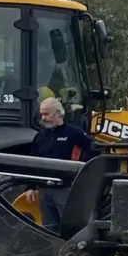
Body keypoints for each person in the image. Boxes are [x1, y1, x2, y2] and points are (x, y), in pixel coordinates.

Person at [26, 96, 98, 227]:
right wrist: (30, 187)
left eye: (46, 114)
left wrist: (82, 176)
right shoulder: (39, 137)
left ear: (58, 113)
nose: (43, 118)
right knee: (48, 227)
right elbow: (33, 162)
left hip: (65, 189)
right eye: (41, 114)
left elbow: (94, 150)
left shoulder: (74, 133)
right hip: (44, 190)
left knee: (69, 226)